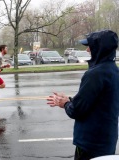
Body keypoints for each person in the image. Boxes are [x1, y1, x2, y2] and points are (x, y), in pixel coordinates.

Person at [46, 30, 119, 160]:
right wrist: (69, 99)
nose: (87, 50)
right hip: (107, 139)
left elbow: (77, 110)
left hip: (90, 143)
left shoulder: (95, 74)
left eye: (90, 46)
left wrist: (65, 104)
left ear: (99, 48)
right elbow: (99, 102)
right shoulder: (114, 70)